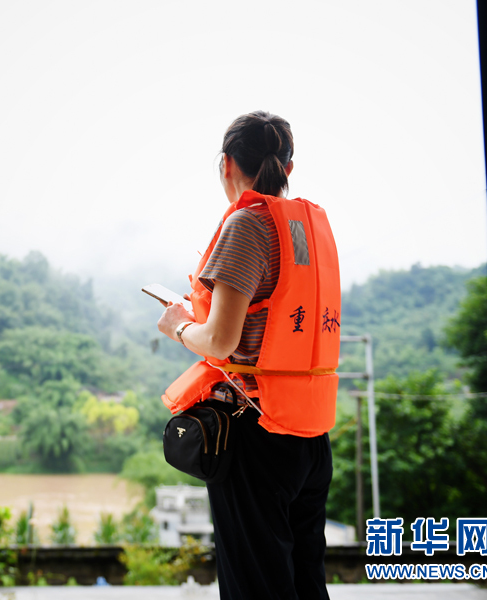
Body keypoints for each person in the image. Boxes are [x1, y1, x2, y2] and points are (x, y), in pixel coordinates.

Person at [156, 111, 340, 599]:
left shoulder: (247, 224)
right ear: (288, 168)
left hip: (259, 432)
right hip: (311, 433)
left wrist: (179, 325)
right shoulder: (307, 228)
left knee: (256, 588)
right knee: (304, 582)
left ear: (227, 163)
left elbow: (219, 341)